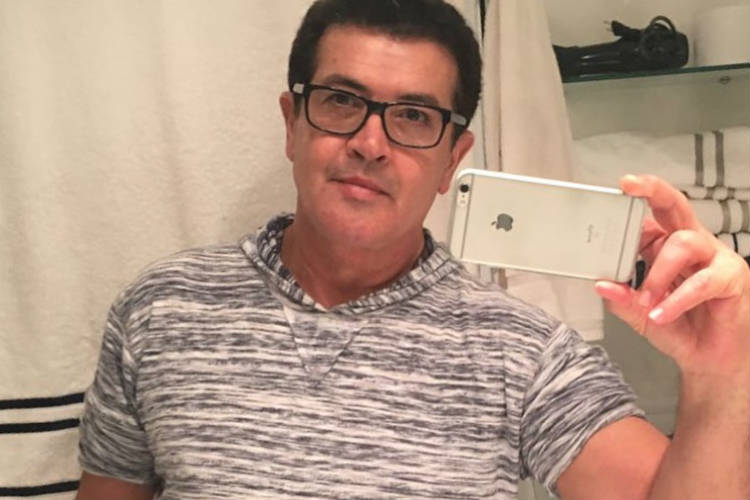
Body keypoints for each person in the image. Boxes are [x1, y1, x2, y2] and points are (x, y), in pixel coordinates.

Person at [76, 0, 750, 498]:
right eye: (342, 101)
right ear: (292, 123)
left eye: (414, 116)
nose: (371, 144)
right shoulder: (161, 309)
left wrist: (721, 375)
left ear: (453, 158)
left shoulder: (523, 351)